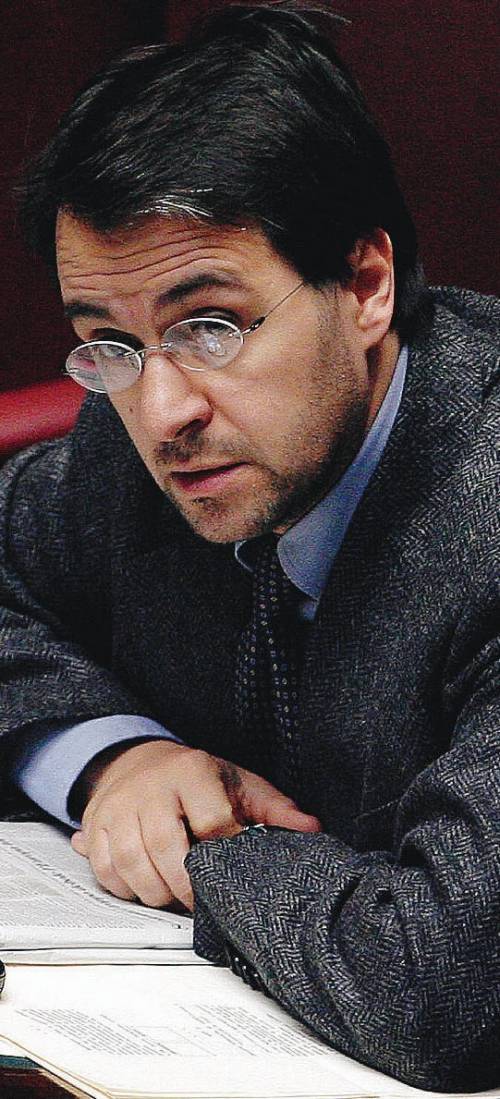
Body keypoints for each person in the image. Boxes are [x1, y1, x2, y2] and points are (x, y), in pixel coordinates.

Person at [0, 1, 498, 1089]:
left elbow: (444, 984)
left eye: (211, 326)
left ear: (364, 286)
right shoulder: (135, 437)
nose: (162, 411)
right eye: (108, 342)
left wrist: (210, 845)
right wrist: (114, 758)